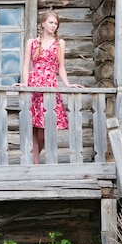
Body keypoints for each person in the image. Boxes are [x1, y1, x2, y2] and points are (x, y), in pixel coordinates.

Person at [19, 10, 83, 164]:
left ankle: (34, 160)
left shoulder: (59, 43)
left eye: (56, 23)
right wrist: (25, 84)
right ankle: (35, 163)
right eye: (51, 22)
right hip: (34, 87)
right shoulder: (32, 42)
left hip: (50, 87)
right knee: (34, 127)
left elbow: (61, 67)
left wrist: (67, 84)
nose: (54, 25)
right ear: (43, 23)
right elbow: (26, 66)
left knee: (45, 129)